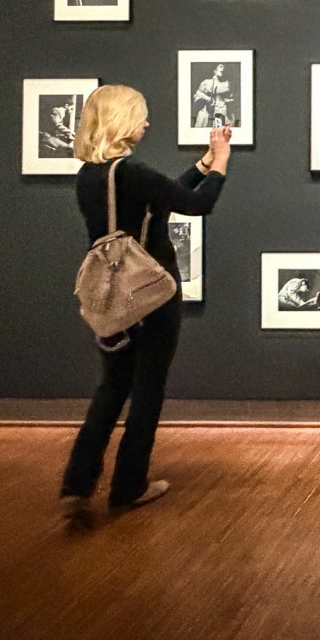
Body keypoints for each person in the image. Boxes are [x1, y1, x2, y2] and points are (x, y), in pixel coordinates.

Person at [60, 85, 231, 529]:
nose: (147, 123)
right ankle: (128, 486)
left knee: (112, 385)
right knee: (148, 387)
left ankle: (78, 482)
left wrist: (201, 164)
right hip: (151, 294)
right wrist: (222, 161)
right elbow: (197, 203)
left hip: (110, 297)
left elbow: (165, 194)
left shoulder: (90, 175)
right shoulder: (132, 172)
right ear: (122, 120)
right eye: (141, 115)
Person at [193, 64, 234, 128]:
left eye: (224, 67)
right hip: (208, 111)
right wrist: (208, 98)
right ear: (215, 71)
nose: (223, 68)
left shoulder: (229, 84)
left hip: (223, 111)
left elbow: (232, 97)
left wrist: (229, 100)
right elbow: (198, 93)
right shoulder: (207, 82)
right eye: (220, 66)